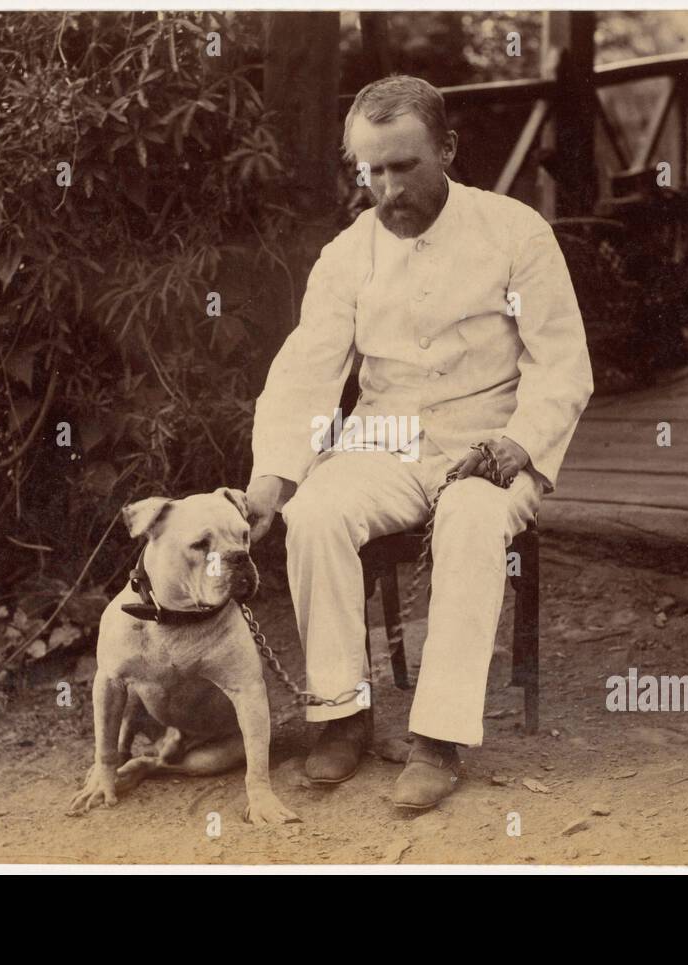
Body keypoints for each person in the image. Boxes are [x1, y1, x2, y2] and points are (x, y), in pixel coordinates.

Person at [245, 75, 593, 810]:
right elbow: (306, 372)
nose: (388, 187)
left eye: (404, 165)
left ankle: (438, 737)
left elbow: (562, 364)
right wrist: (270, 484)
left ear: (448, 150)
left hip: (491, 437)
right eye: (371, 169)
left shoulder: (515, 232)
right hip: (388, 438)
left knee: (470, 518)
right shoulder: (346, 256)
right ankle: (341, 712)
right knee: (315, 514)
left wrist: (516, 445)